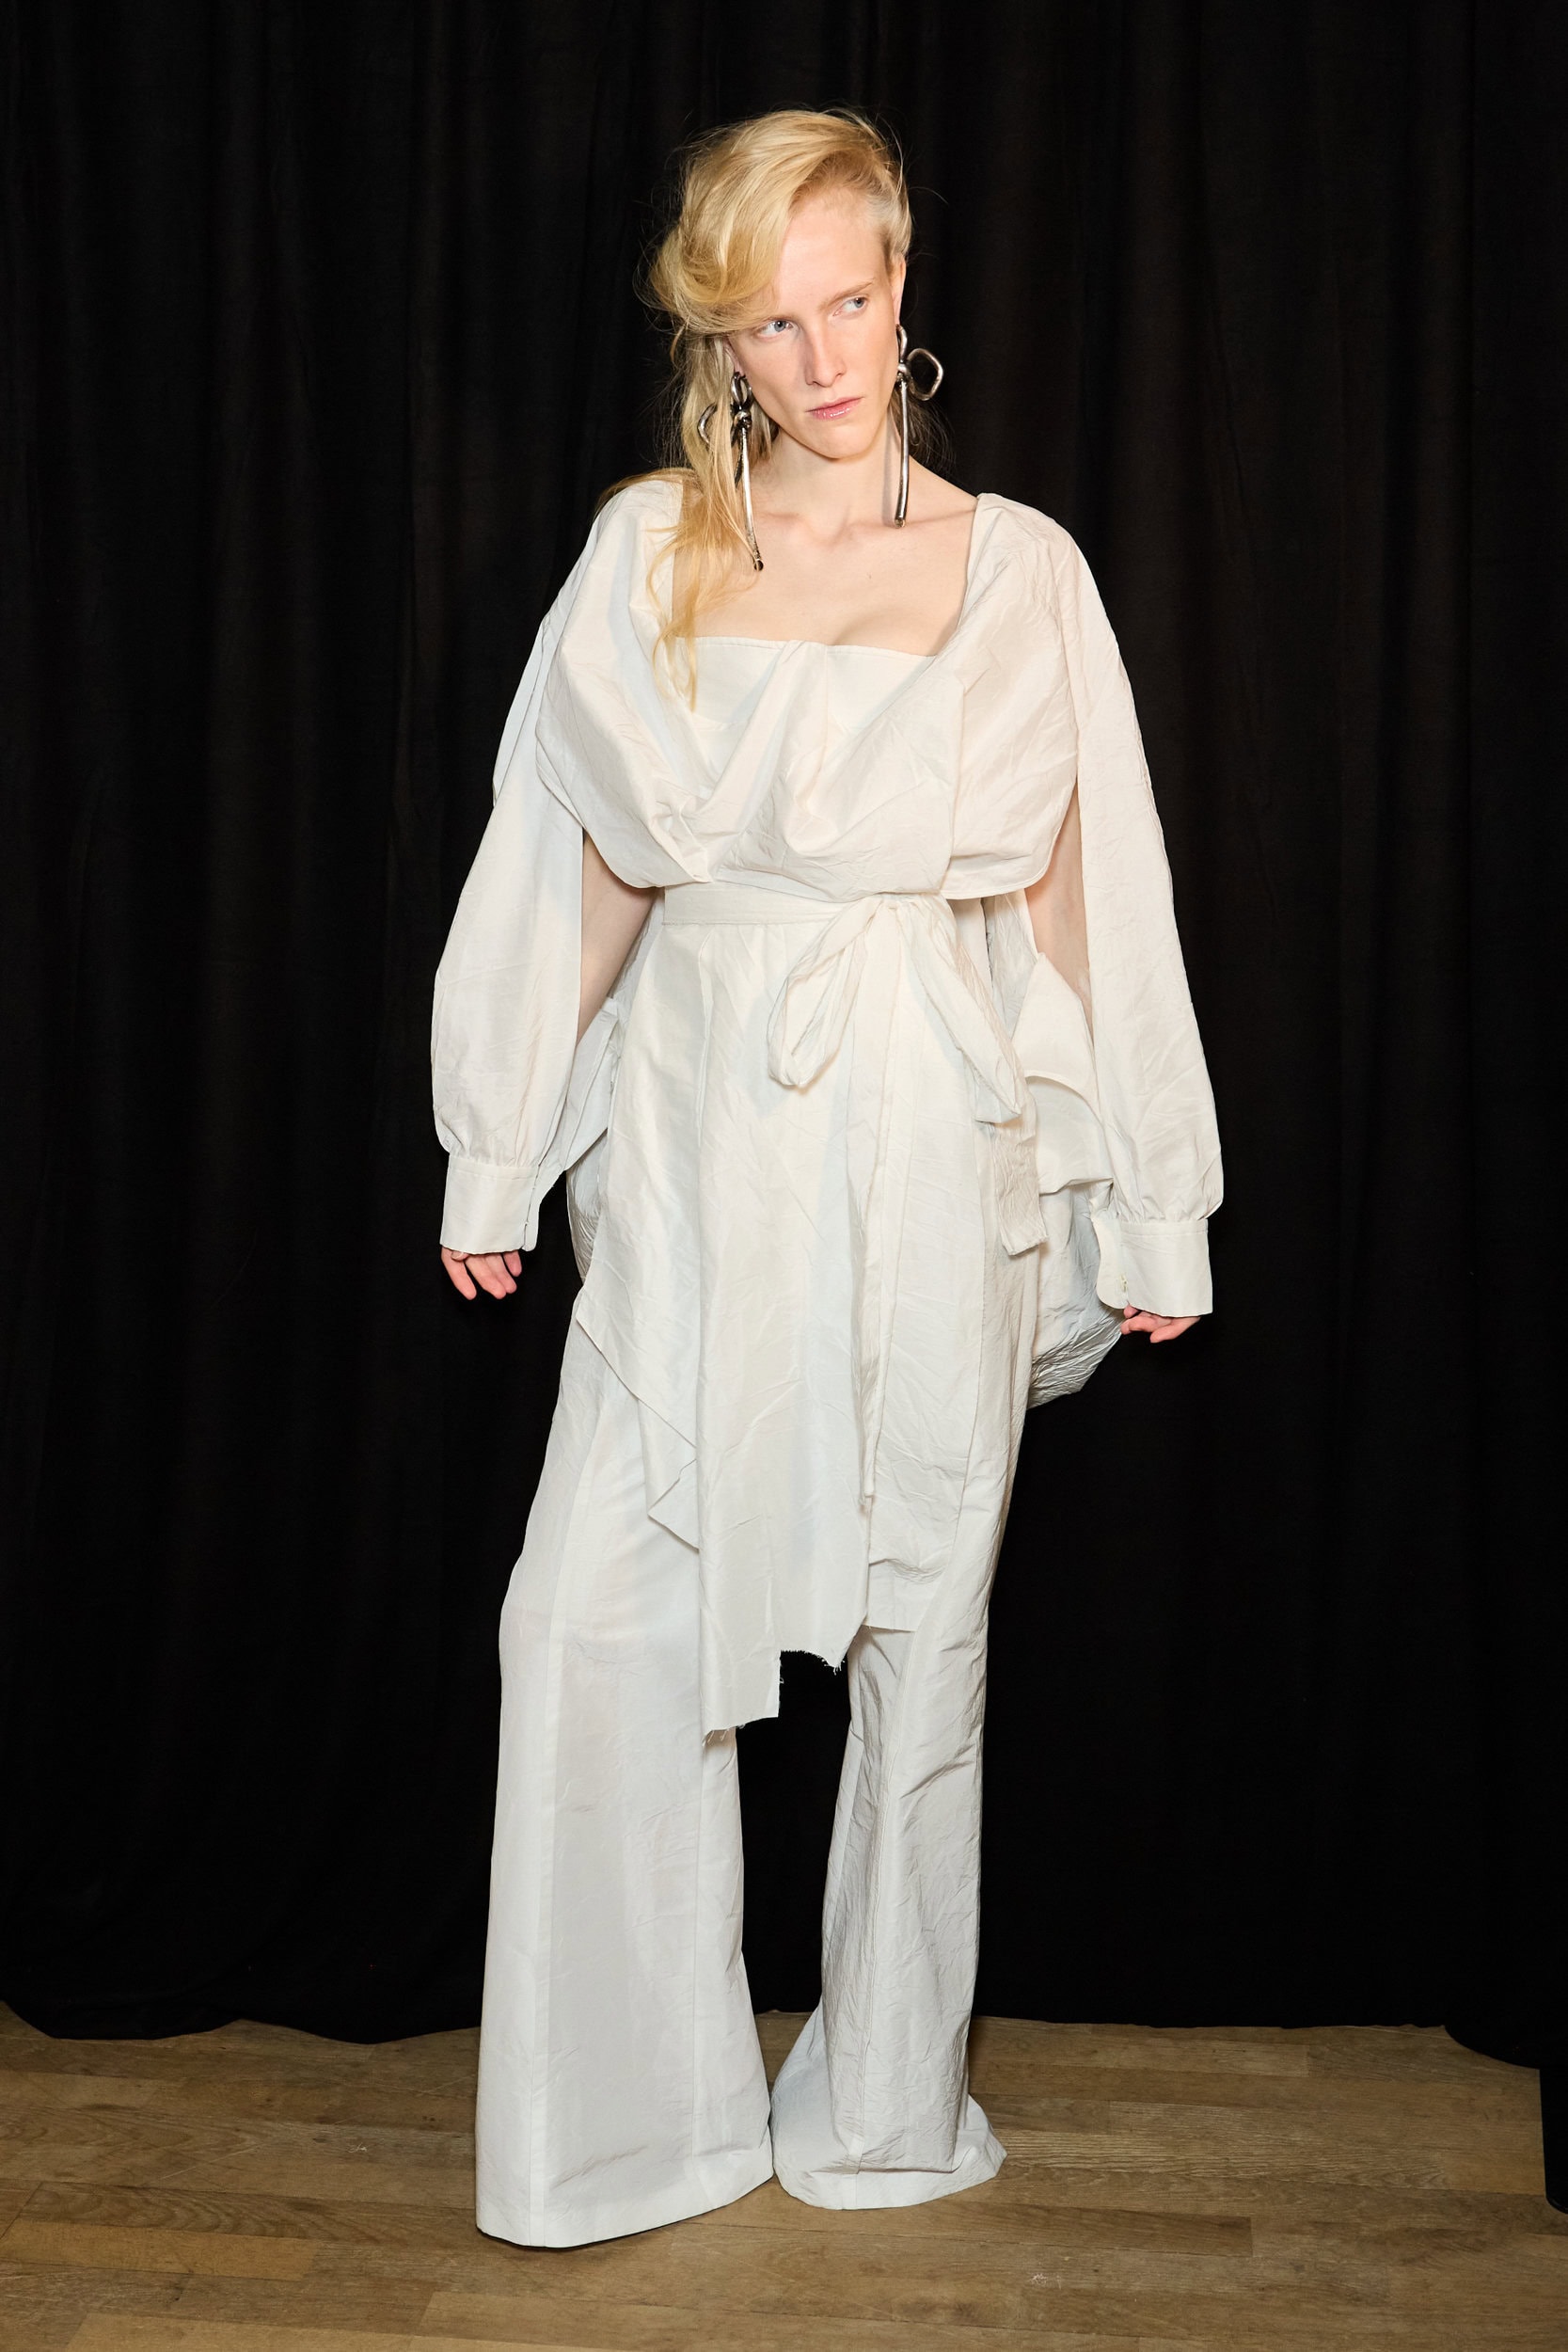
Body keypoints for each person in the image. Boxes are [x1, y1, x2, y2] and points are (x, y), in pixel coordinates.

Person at [432, 107, 1221, 2249]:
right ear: (721, 341)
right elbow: (578, 859)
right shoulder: (646, 553)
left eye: (849, 300)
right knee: (591, 1613)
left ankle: (882, 2103)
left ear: (901, 289)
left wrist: (1154, 1195)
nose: (823, 356)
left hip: (929, 1127)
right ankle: (622, 2123)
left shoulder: (1022, 570)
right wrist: (497, 1141)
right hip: (698, 1136)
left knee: (920, 1628)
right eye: (771, 323)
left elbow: (1095, 893)